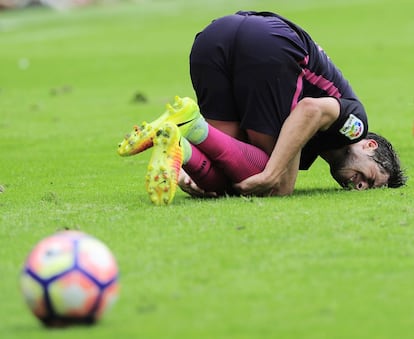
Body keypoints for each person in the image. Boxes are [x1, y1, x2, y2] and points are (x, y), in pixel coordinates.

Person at [118, 10, 406, 205]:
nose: (360, 186)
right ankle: (191, 124)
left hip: (213, 38)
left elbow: (234, 157)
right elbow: (308, 110)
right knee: (277, 184)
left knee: (228, 172)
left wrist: (193, 173)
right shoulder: (355, 124)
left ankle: (180, 141)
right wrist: (271, 175)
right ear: (369, 146)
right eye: (370, 179)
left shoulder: (310, 152)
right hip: (270, 44)